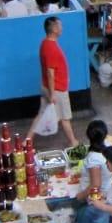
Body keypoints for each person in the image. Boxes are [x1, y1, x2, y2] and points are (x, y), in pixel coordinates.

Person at [33, 16, 79, 147]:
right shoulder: (51, 48)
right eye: (60, 25)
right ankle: (73, 141)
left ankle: (27, 141)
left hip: (49, 87)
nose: (62, 28)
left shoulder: (45, 43)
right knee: (64, 118)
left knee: (41, 115)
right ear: (54, 29)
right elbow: (50, 73)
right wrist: (53, 94)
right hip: (57, 89)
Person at [74, 120, 112, 223]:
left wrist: (80, 196)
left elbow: (96, 184)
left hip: (95, 203)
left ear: (88, 136)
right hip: (107, 196)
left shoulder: (94, 158)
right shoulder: (108, 149)